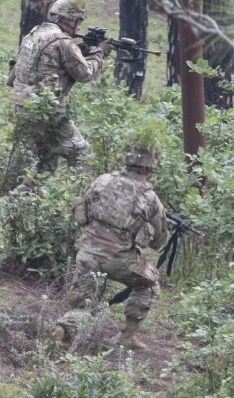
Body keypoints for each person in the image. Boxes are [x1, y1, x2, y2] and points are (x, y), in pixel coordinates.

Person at [55, 145, 168, 350]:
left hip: (87, 252)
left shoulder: (103, 180)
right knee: (149, 285)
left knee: (83, 306)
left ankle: (62, 330)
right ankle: (128, 337)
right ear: (149, 169)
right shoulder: (151, 198)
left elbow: (83, 213)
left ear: (127, 162)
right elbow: (158, 242)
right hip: (118, 260)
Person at [6, 0, 113, 192]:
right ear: (68, 19)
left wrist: (79, 52)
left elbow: (13, 78)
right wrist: (100, 53)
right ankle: (86, 208)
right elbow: (85, 74)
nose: (79, 25)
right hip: (49, 113)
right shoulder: (63, 42)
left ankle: (16, 204)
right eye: (78, 20)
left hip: (24, 109)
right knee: (84, 156)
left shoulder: (32, 35)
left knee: (47, 163)